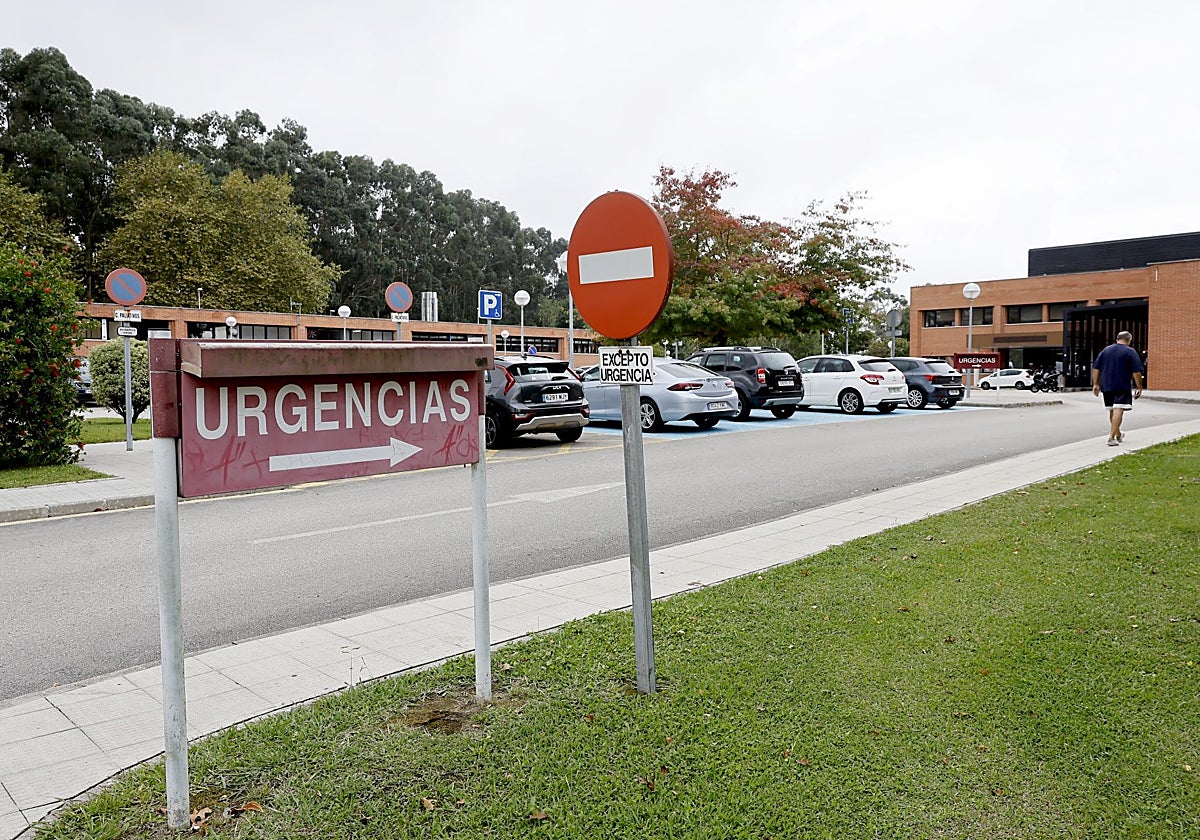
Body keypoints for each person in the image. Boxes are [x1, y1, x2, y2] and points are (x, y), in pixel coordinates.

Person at [1091, 331, 1145, 446]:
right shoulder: (1130, 352)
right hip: (1122, 385)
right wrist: (1139, 386)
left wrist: (1096, 384)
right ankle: (1111, 437)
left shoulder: (1106, 350)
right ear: (1129, 340)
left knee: (1112, 409)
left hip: (1107, 385)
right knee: (1118, 409)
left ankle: (1118, 433)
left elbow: (1096, 368)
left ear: (1117, 339)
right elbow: (1136, 372)